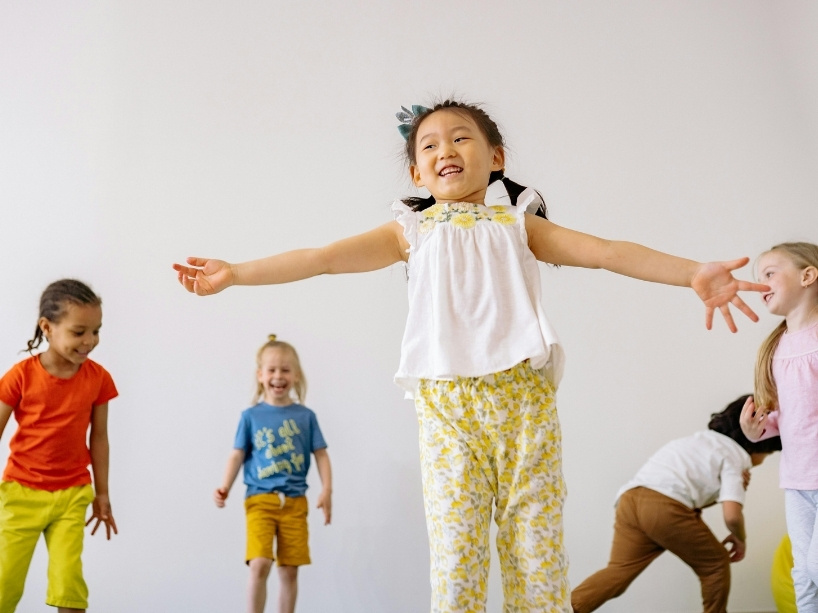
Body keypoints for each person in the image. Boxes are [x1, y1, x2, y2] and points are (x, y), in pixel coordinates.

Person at [174, 100, 768, 612]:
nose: (445, 149)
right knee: (457, 556)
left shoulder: (519, 223)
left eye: (461, 137)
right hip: (448, 409)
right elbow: (323, 257)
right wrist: (237, 274)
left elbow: (607, 252)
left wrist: (692, 272)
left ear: (497, 156)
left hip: (523, 405)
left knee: (535, 556)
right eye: (429, 144)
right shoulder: (411, 231)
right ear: (417, 170)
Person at [571, 395, 781, 613]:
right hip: (664, 507)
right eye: (769, 453)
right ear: (761, 442)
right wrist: (740, 538)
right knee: (716, 564)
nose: (763, 461)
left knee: (619, 570)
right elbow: (732, 516)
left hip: (630, 499)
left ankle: (560, 609)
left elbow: (688, 488)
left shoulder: (700, 440)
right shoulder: (735, 458)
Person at [0, 279, 118, 613]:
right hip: (21, 492)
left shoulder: (98, 378)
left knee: (69, 586)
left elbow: (99, 438)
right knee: (4, 583)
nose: (89, 341)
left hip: (72, 494)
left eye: (96, 331)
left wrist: (103, 493)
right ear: (47, 327)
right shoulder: (20, 376)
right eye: (79, 332)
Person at [214, 336, 332, 613]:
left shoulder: (306, 416)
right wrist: (225, 486)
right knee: (260, 563)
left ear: (296, 375)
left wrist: (327, 490)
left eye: (285, 370)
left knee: (290, 570)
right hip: (260, 501)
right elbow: (237, 454)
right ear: (260, 375)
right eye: (272, 370)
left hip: (294, 503)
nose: (278, 376)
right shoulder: (251, 416)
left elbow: (321, 454)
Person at [739, 242, 818, 611]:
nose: (761, 285)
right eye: (758, 279)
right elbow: (785, 416)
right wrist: (759, 430)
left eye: (770, 274)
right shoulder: (775, 349)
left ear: (808, 276)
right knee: (802, 573)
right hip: (798, 479)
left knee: (815, 566)